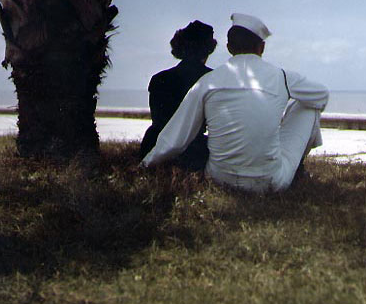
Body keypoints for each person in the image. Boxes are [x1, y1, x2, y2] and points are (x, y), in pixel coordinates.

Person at [141, 13, 329, 192]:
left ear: (229, 47)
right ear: (261, 48)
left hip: (219, 178)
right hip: (270, 180)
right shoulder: (282, 77)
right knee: (309, 106)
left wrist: (145, 163)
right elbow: (321, 96)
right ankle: (298, 167)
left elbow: (176, 136)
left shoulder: (209, 80)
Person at [139, 20, 217, 170]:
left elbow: (159, 120)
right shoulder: (211, 78)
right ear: (209, 49)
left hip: (152, 145)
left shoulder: (158, 78)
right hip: (192, 150)